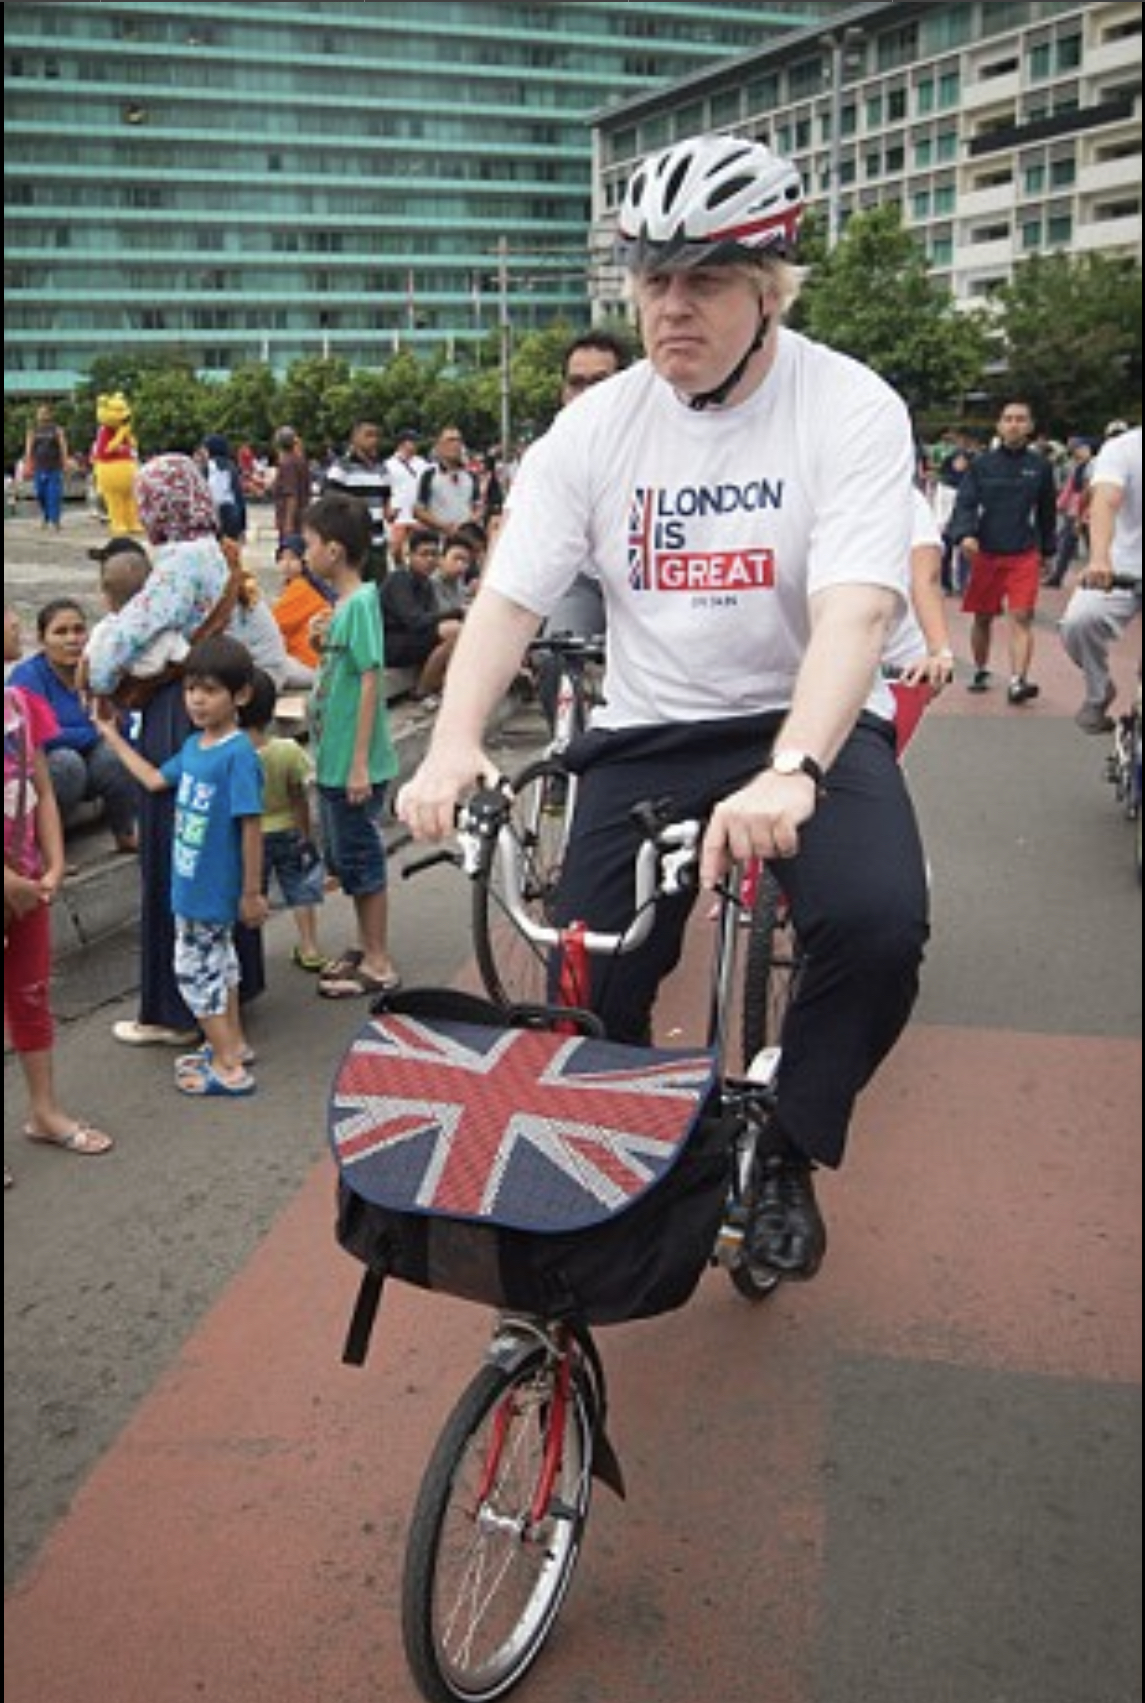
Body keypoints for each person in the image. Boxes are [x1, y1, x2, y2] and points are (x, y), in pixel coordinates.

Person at [398, 132, 928, 1284]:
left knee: (878, 925)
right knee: (588, 973)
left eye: (703, 282)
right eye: (651, 281)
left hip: (804, 715)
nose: (669, 310)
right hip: (646, 730)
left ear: (768, 289)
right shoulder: (595, 426)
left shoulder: (846, 406)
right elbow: (506, 601)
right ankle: (617, 1157)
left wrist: (794, 763)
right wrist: (450, 742)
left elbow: (851, 614)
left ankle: (786, 1145)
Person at [85, 453, 265, 1047]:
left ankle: (175, 1010)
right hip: (209, 700)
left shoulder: (177, 564)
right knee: (215, 848)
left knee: (173, 852)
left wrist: (99, 675)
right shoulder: (216, 551)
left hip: (172, 711)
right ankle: (231, 989)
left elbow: (122, 641)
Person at [96, 635, 268, 1097]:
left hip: (211, 891)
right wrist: (111, 734)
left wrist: (251, 892)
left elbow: (252, 825)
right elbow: (154, 779)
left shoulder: (238, 756)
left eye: (210, 690)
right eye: (191, 688)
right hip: (192, 886)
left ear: (240, 696)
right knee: (221, 967)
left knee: (196, 972)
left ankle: (228, 1066)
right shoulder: (196, 746)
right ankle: (233, 1045)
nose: (196, 699)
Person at [4, 605, 114, 1161]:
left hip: (27, 887)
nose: (13, 620)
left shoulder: (22, 708)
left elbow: (42, 789)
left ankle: (45, 1110)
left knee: (31, 995)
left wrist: (48, 865)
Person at [301, 491, 402, 999]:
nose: (305, 552)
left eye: (310, 543)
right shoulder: (346, 604)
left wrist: (360, 761)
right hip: (336, 759)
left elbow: (368, 678)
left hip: (350, 762)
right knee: (349, 857)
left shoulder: (360, 602)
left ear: (335, 550)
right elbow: (343, 667)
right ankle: (365, 947)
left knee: (362, 859)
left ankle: (379, 962)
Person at [7, 593, 141, 854]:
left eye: (79, 630)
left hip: (92, 767)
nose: (72, 639)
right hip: (47, 775)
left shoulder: (99, 671)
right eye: (60, 632)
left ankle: (125, 832)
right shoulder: (28, 677)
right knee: (67, 762)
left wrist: (105, 730)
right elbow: (40, 736)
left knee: (114, 752)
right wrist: (95, 729)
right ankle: (45, 848)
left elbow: (123, 723)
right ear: (41, 639)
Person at [947, 399, 1057, 704]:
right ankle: (981, 669)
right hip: (987, 551)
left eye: (1021, 419)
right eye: (1008, 419)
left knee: (1021, 615)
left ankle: (1018, 680)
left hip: (1024, 552)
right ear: (999, 425)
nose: (1014, 425)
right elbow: (965, 502)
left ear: (1030, 426)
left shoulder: (1040, 467)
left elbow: (1047, 512)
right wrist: (965, 534)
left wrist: (1048, 551)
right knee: (983, 617)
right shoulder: (982, 465)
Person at [241, 666, 329, 971]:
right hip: (288, 828)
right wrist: (305, 833)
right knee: (300, 888)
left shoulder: (233, 756)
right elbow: (299, 796)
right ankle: (309, 946)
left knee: (254, 892)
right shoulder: (287, 750)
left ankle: (251, 957)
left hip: (248, 839)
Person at [1059, 424, 1142, 733]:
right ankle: (1099, 689)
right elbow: (1105, 501)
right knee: (1079, 623)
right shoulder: (1124, 448)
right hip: (1121, 567)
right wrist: (1098, 559)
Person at [380, 527, 464, 701]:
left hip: (411, 639)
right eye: (424, 554)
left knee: (460, 631)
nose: (430, 560)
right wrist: (454, 613)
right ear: (409, 556)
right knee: (453, 631)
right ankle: (422, 691)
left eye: (434, 554)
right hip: (389, 643)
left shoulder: (426, 583)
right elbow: (415, 621)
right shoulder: (399, 579)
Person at [321, 419, 393, 582]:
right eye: (368, 435)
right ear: (355, 438)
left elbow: (385, 497)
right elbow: (329, 502)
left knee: (377, 591)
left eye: (376, 435)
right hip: (353, 542)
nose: (373, 440)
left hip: (377, 541)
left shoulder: (382, 469)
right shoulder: (341, 468)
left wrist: (389, 511)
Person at [269, 532, 335, 684]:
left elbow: (274, 625)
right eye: (282, 558)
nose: (286, 563)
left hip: (310, 665)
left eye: (293, 558)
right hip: (315, 663)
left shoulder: (301, 588)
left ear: (303, 561)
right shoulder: (301, 585)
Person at [23, 404, 70, 531]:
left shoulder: (57, 429)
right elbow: (28, 449)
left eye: (44, 413)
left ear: (49, 415)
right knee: (40, 494)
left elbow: (63, 446)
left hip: (54, 467)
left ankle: (55, 521)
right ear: (37, 416)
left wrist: (65, 463)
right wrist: (28, 465)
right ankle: (46, 516)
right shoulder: (33, 431)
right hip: (39, 468)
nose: (42, 415)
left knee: (54, 495)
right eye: (40, 413)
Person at [270, 426, 312, 548]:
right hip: (302, 516)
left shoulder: (287, 464)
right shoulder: (300, 460)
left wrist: (288, 523)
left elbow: (291, 495)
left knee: (290, 556)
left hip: (292, 519)